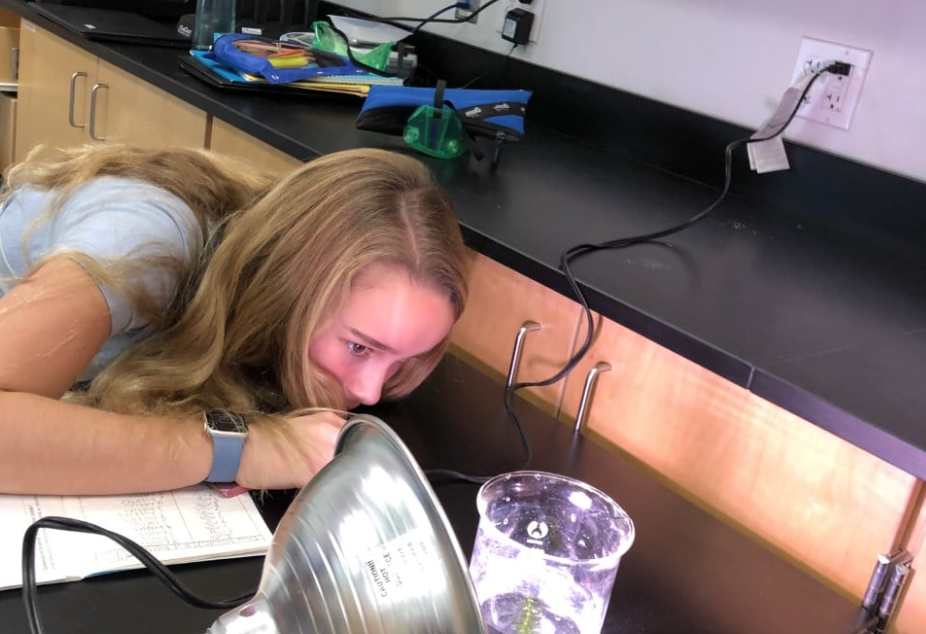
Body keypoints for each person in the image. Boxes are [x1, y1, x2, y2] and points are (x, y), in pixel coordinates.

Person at [0, 143, 469, 496]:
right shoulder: (147, 242)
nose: (370, 393)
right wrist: (237, 450)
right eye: (359, 348)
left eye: (405, 362)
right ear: (289, 288)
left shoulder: (262, 286)